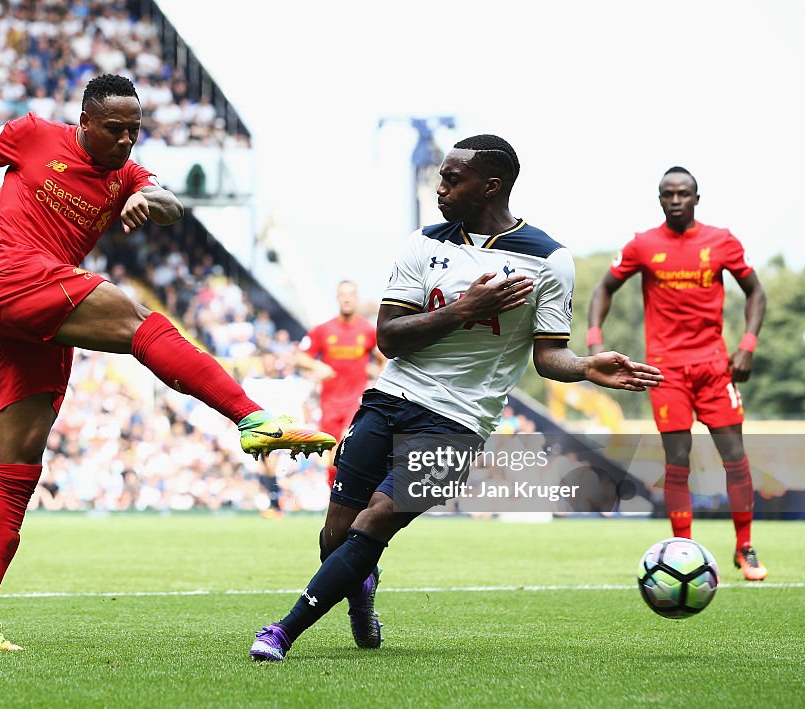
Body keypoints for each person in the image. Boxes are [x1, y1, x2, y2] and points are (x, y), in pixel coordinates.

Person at [0, 74, 335, 651]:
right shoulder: (33, 134)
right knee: (140, 320)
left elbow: (170, 203)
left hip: (37, 323)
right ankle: (251, 418)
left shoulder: (128, 175)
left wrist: (147, 197)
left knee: (18, 464)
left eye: (134, 131)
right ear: (84, 122)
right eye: (114, 129)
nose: (125, 141)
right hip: (15, 279)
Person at [249, 135, 663, 661]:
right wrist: (463, 310)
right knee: (336, 534)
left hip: (461, 420)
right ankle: (360, 596)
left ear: (490, 186)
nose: (440, 188)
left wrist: (583, 366)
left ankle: (282, 631)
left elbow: (547, 355)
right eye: (441, 176)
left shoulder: (549, 260)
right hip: (390, 397)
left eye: (451, 178)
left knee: (377, 519)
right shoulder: (423, 243)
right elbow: (391, 337)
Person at [587, 166, 768, 581]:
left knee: (735, 459)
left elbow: (755, 291)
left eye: (683, 193)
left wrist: (747, 346)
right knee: (678, 462)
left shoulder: (721, 241)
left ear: (696, 198)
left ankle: (745, 548)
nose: (675, 200)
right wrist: (596, 343)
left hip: (714, 367)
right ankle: (682, 550)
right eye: (667, 194)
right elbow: (603, 289)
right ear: (660, 199)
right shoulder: (643, 245)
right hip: (665, 371)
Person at [296, 280, 384, 487]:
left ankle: (353, 497)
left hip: (355, 402)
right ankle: (335, 500)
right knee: (331, 458)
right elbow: (300, 356)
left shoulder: (367, 330)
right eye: (342, 294)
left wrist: (377, 383)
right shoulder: (323, 330)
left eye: (350, 294)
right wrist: (318, 367)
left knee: (348, 445)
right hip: (329, 404)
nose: (346, 298)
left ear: (356, 298)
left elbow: (383, 358)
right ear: (337, 298)